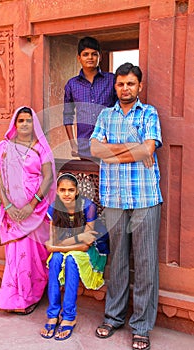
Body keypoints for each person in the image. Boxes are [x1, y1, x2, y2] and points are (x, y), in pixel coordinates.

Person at [90, 63, 163, 350]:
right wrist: (131, 150)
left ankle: (142, 326)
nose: (125, 88)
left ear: (139, 86)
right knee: (117, 261)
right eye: (121, 84)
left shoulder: (149, 113)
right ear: (115, 86)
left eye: (131, 84)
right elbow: (95, 149)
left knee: (145, 264)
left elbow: (149, 149)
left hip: (145, 198)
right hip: (115, 198)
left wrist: (113, 151)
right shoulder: (105, 115)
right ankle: (113, 316)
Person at [0, 106, 56, 315]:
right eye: (21, 120)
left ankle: (32, 295)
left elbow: (47, 178)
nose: (25, 124)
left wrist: (31, 205)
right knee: (16, 254)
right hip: (11, 212)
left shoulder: (41, 149)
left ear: (34, 124)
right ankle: (12, 298)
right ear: (15, 124)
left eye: (29, 120)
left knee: (33, 255)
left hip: (35, 212)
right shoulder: (3, 148)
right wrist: (8, 206)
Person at [40, 173, 109, 341]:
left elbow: (85, 245)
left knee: (71, 260)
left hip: (92, 252)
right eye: (62, 190)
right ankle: (53, 314)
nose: (67, 194)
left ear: (77, 191)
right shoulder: (54, 208)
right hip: (68, 247)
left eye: (71, 190)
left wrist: (58, 245)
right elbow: (53, 240)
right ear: (56, 191)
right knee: (56, 259)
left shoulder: (88, 207)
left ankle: (69, 316)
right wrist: (58, 245)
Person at [63, 36, 117, 160]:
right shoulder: (72, 84)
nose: (90, 58)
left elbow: (120, 109)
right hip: (84, 146)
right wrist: (73, 145)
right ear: (79, 58)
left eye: (94, 54)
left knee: (110, 178)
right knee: (90, 178)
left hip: (109, 143)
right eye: (85, 54)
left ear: (100, 57)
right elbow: (67, 115)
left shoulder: (111, 80)